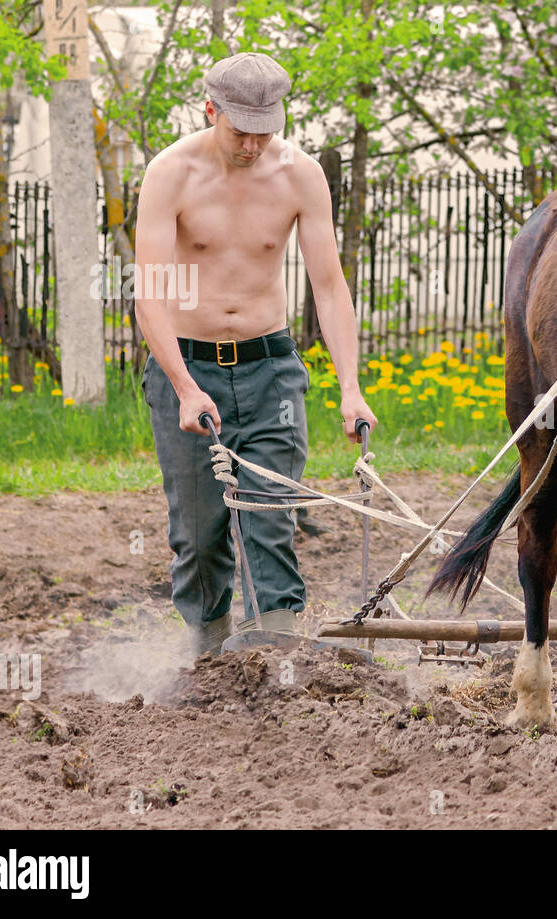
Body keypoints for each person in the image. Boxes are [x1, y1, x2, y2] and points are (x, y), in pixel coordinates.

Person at [133, 51, 377, 657]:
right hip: (186, 368)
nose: (252, 145)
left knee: (271, 513)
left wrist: (350, 388)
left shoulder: (300, 175)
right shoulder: (172, 174)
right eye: (240, 131)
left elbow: (328, 284)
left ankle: (277, 651)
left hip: (271, 369)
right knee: (199, 532)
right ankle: (208, 653)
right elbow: (150, 297)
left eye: (265, 131)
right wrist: (186, 387)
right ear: (209, 109)